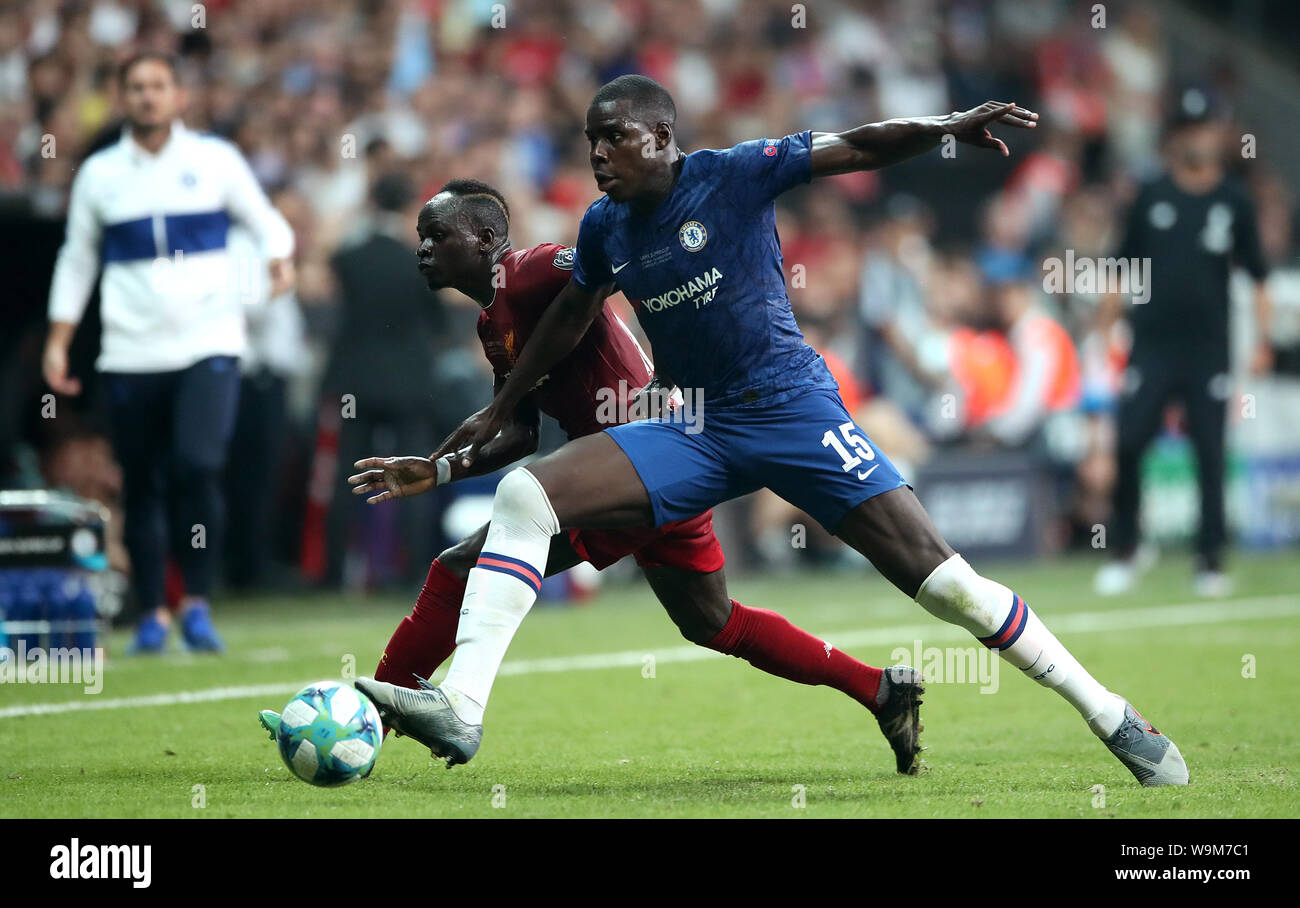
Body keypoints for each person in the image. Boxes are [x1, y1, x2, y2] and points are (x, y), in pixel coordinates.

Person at [357, 76, 1187, 787]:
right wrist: (503, 409)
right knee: (525, 493)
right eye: (589, 142)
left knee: (948, 587)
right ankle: (461, 706)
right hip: (696, 425)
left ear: (660, 136)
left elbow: (858, 146)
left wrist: (945, 127)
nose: (598, 155)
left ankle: (1112, 714)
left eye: (613, 139)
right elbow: (574, 311)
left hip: (792, 409)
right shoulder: (606, 228)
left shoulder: (730, 174)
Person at [263, 179, 925, 774]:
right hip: (628, 474)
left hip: (638, 467)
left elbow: (605, 271)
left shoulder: (532, 272)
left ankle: (376, 721)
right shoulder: (495, 320)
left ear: (488, 238)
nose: (424, 250)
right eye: (420, 238)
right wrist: (439, 470)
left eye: (438, 235)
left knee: (458, 569)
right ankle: (879, 689)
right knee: (714, 622)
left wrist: (673, 344)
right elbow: (519, 430)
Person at [43, 52, 294, 652]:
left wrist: (279, 259)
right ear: (122, 97)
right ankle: (154, 612)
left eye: (158, 85)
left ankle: (198, 602)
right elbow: (76, 259)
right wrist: (58, 339)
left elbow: (267, 222)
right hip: (130, 352)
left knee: (197, 464)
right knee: (142, 482)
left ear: (180, 96)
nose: (148, 96)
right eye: (137, 87)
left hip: (208, 344)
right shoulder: (100, 175)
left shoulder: (214, 161)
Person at [1094, 89, 1271, 598]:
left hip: (1208, 350)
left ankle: (1210, 559)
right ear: (1176, 137)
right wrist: (1107, 325)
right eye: (1187, 129)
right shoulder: (1150, 195)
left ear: (1216, 135)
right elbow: (1120, 265)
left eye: (1204, 128)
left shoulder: (1234, 200)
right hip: (1150, 346)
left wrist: (1260, 341)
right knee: (1129, 443)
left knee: (1211, 454)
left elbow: (1257, 275)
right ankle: (1128, 548)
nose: (1195, 138)